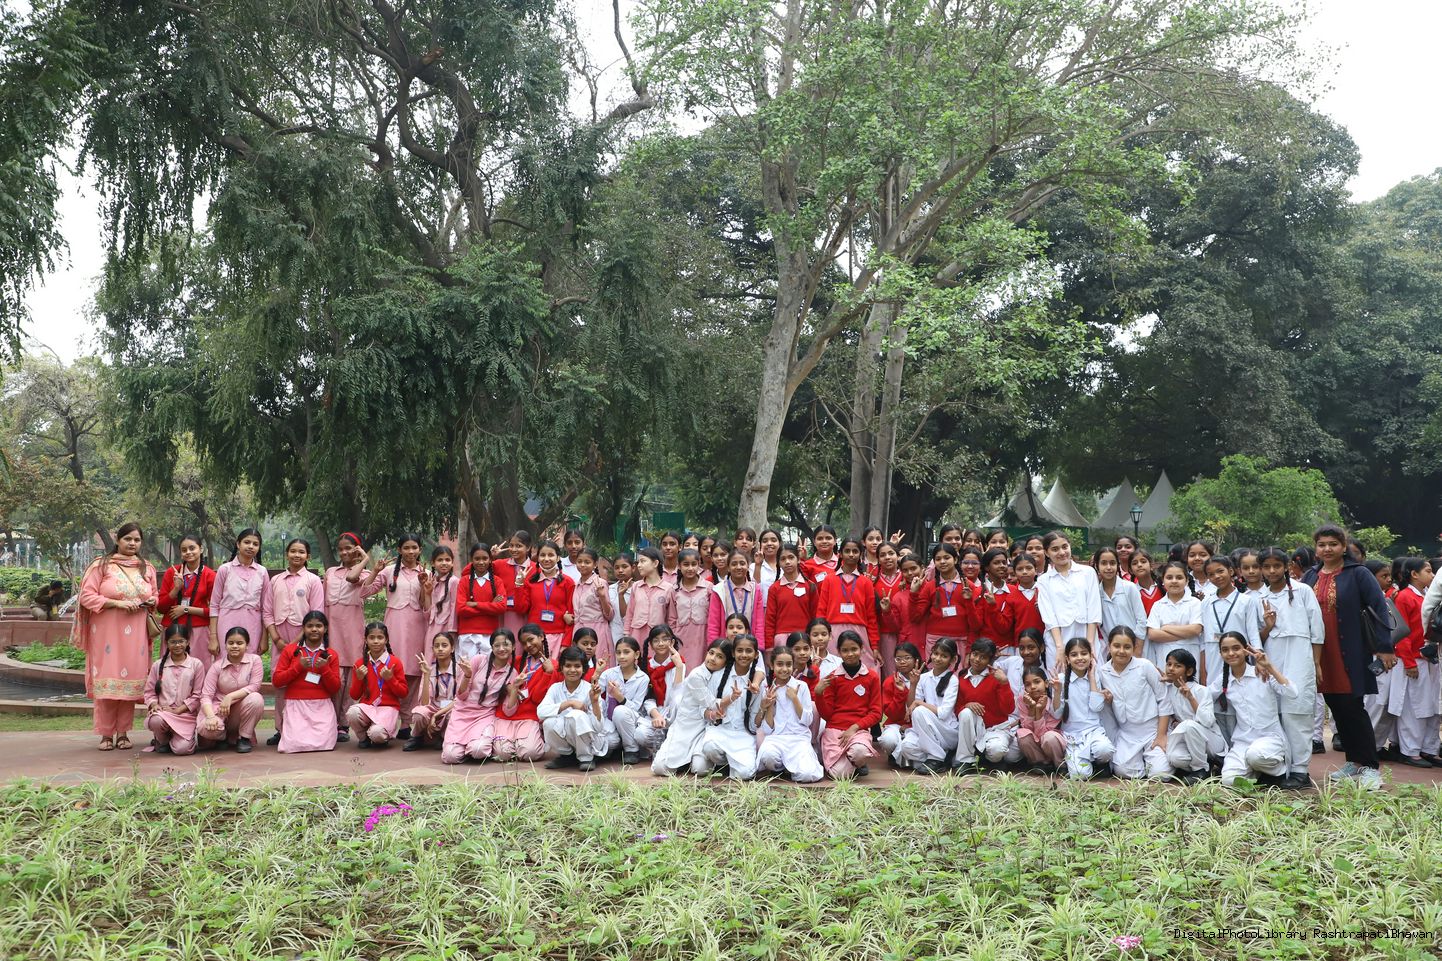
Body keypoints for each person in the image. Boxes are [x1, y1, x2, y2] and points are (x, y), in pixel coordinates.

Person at [1302, 524, 1391, 790]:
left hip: (1349, 650)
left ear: (1343, 546)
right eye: (1322, 544)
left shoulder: (1358, 574)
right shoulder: (1310, 576)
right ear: (1316, 548)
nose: (1327, 549)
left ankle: (1370, 766)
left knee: (1353, 706)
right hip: (1320, 652)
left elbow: (1379, 608)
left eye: (1333, 544)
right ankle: (1353, 761)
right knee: (1336, 706)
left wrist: (1384, 647)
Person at [76, 522, 158, 751]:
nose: (132, 543)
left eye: (137, 540)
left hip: (136, 635)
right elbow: (86, 596)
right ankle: (106, 735)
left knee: (128, 683)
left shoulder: (146, 568)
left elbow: (155, 595)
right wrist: (116, 603)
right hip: (107, 635)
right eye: (128, 539)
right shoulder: (101, 565)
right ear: (118, 541)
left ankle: (123, 733)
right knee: (108, 682)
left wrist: (153, 600)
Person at [1257, 547, 1324, 787]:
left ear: (1286, 566)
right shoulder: (1259, 596)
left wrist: (1316, 662)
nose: (1272, 571)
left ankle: (1300, 770)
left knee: (1297, 711)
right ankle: (1279, 767)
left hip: (1299, 656)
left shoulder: (1302, 591)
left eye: (1277, 566)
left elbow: (1317, 629)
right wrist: (1268, 626)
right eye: (1267, 566)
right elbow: (1256, 636)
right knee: (1273, 711)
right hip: (1272, 657)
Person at [1210, 631, 1299, 787]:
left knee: (1255, 755)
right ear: (1220, 654)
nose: (1231, 653)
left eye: (1236, 648)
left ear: (1246, 650)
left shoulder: (1262, 673)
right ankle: (1256, 774)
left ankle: (1277, 772)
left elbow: (1292, 693)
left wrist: (1269, 666)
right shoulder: (1224, 680)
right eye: (1225, 650)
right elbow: (1204, 697)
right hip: (1242, 741)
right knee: (1229, 780)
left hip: (1270, 737)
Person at [363, 534, 427, 736]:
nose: (410, 551)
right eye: (406, 547)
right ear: (399, 550)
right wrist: (375, 570)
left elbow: (427, 604)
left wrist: (425, 585)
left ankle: (407, 723)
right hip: (394, 625)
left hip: (417, 625)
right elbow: (365, 592)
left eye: (414, 547)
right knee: (393, 669)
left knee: (414, 673)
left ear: (420, 549)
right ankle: (388, 718)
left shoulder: (426, 573)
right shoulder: (389, 571)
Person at [1096, 626, 1171, 780]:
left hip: (1152, 729)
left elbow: (1163, 699)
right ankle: (1142, 765)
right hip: (1127, 733)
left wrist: (1161, 735)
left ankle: (1155, 764)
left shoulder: (1144, 666)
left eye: (1127, 647)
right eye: (1116, 646)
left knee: (1161, 774)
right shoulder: (1103, 673)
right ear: (1109, 646)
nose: (1121, 651)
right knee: (1123, 771)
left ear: (1134, 647)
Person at [324, 533, 376, 743]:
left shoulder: (365, 573)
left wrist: (364, 558)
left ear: (357, 549)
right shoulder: (330, 572)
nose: (344, 552)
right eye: (341, 549)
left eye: (349, 548)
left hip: (352, 627)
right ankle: (330, 721)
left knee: (351, 676)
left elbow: (352, 578)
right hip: (332, 626)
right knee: (334, 675)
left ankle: (344, 724)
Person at [651, 640, 728, 776]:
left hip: (705, 729)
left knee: (700, 769)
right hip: (686, 726)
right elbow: (710, 703)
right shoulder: (697, 675)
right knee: (660, 768)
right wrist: (733, 698)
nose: (713, 658)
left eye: (719, 656)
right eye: (711, 653)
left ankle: (694, 761)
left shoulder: (723, 676)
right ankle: (685, 762)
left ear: (726, 662)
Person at [1388, 558, 1438, 767]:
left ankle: (1427, 748)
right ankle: (1410, 750)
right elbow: (1401, 632)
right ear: (1414, 574)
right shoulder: (1405, 597)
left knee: (1430, 706)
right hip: (1412, 659)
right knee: (1413, 707)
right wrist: (1409, 662)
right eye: (1428, 571)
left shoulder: (1426, 595)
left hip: (1427, 658)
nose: (1432, 575)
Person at [441, 629, 517, 764]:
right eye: (497, 645)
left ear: (514, 647)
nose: (501, 649)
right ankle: (463, 749)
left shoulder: (512, 673)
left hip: (485, 716)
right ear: (491, 647)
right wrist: (467, 675)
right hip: (462, 713)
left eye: (505, 644)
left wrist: (514, 691)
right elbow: (461, 696)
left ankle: (473, 747)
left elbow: (508, 711)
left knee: (478, 750)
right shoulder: (479, 660)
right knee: (450, 756)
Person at [273, 610, 343, 754]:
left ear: (325, 629)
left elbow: (335, 688)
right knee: (293, 744)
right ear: (303, 629)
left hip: (321, 706)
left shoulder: (331, 654)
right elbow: (277, 681)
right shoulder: (290, 650)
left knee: (325, 744)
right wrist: (298, 667)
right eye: (310, 626)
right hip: (296, 705)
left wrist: (324, 669)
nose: (314, 629)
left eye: (319, 626)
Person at [814, 631, 882, 779]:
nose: (850, 654)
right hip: (834, 731)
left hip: (858, 730)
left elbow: (876, 713)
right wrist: (819, 695)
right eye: (845, 650)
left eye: (854, 649)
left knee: (859, 752)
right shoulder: (833, 677)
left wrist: (855, 727)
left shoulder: (872, 676)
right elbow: (827, 715)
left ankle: (856, 762)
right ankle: (853, 764)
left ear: (862, 649)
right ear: (839, 652)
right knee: (840, 775)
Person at [696, 634, 764, 779]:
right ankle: (723, 763)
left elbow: (754, 717)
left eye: (749, 651)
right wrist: (714, 714)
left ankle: (734, 764)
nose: (744, 655)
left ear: (756, 654)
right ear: (733, 653)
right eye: (739, 650)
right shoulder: (717, 676)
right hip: (720, 730)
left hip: (743, 734)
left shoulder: (758, 682)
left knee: (746, 773)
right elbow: (704, 708)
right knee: (709, 747)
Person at [592, 636, 667, 765]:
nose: (621, 656)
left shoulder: (643, 678)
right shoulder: (609, 673)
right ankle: (616, 748)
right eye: (618, 652)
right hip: (609, 719)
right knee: (609, 741)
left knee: (620, 711)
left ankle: (631, 750)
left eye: (626, 652)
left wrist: (618, 696)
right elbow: (593, 692)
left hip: (630, 719)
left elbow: (635, 707)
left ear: (636, 654)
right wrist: (597, 673)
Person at [755, 646, 824, 782]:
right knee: (768, 756)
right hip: (776, 739)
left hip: (799, 739)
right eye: (780, 664)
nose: (784, 669)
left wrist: (794, 698)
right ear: (772, 666)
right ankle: (780, 768)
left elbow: (807, 721)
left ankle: (790, 769)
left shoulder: (801, 686)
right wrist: (769, 705)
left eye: (788, 664)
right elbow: (768, 730)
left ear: (793, 666)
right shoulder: (768, 690)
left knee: (807, 775)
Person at [1036, 532, 1101, 673]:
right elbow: (1049, 615)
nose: (1061, 552)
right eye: (1055, 549)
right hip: (1058, 637)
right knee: (1060, 677)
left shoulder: (1088, 572)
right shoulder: (1044, 580)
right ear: (1046, 553)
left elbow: (1094, 608)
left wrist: (1090, 643)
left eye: (1064, 547)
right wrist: (1059, 647)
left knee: (1092, 675)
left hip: (1086, 632)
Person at [1051, 637, 1115, 780]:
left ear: (1091, 656)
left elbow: (1096, 707)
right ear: (1067, 659)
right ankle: (1079, 762)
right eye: (1074, 655)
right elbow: (1057, 715)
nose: (1080, 658)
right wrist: (1057, 692)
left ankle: (1099, 763)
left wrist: (1091, 678)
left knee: (1105, 750)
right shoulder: (1061, 679)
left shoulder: (1096, 676)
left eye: (1084, 653)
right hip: (1072, 736)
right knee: (1080, 775)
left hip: (1094, 731)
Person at [953, 638, 1019, 770]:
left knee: (997, 750)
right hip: (972, 731)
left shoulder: (997, 678)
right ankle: (966, 760)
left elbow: (1009, 709)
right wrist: (966, 705)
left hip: (996, 729)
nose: (977, 659)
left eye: (983, 657)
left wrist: (1004, 684)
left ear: (990, 660)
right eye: (975, 654)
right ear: (970, 654)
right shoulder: (961, 679)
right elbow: (956, 709)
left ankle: (984, 757)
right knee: (965, 713)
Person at [1160, 649, 1224, 782]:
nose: (1171, 668)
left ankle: (1200, 769)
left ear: (1189, 671)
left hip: (1210, 741)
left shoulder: (1201, 690)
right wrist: (1174, 723)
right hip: (1188, 742)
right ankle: (1210, 765)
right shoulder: (1168, 690)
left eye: (1177, 666)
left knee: (1188, 725)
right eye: (1169, 664)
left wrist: (1190, 698)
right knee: (1174, 758)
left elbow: (1207, 721)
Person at [814, 537, 880, 668]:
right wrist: (820, 635)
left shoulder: (866, 582)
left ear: (861, 555)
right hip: (833, 632)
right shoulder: (829, 579)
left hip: (859, 631)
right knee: (832, 669)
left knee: (868, 668)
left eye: (855, 551)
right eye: (847, 551)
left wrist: (874, 645)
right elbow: (821, 611)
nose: (851, 554)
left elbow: (871, 617)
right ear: (840, 554)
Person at [197, 626, 264, 753]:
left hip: (241, 710)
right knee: (206, 728)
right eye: (231, 643)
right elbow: (206, 695)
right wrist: (211, 717)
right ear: (225, 645)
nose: (234, 646)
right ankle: (223, 737)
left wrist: (230, 696)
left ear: (247, 645)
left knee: (256, 698)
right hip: (220, 710)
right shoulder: (217, 666)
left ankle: (244, 738)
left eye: (239, 643)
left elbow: (255, 686)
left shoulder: (255, 660)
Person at [898, 638, 959, 775]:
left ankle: (936, 757)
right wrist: (913, 684)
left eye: (944, 656)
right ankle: (943, 757)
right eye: (936, 654)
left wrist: (919, 703)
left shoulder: (953, 680)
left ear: (952, 659)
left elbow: (943, 713)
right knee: (906, 747)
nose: (938, 658)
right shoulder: (924, 677)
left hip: (946, 730)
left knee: (920, 711)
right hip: (929, 730)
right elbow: (911, 707)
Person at [143, 624, 206, 756]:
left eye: (181, 641)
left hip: (185, 716)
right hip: (163, 713)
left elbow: (198, 695)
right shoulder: (158, 665)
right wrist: (154, 705)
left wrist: (178, 710)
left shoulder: (196, 665)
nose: (177, 645)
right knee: (155, 720)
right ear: (166, 643)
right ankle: (163, 740)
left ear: (187, 642)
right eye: (173, 642)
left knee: (183, 749)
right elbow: (149, 692)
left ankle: (178, 739)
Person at [155, 535, 216, 670]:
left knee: (199, 669)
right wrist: (176, 589)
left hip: (198, 630)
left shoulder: (210, 575)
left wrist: (186, 609)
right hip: (173, 629)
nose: (188, 552)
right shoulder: (172, 572)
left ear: (201, 549)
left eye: (192, 548)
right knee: (170, 669)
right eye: (184, 550)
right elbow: (161, 608)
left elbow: (215, 610)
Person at [346, 620, 409, 749]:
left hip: (388, 708)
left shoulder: (394, 662)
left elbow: (403, 693)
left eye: (380, 637)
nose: (376, 641)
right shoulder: (360, 664)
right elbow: (354, 695)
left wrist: (390, 679)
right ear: (365, 640)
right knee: (352, 712)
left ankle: (378, 735)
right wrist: (359, 679)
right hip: (368, 707)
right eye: (372, 637)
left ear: (386, 640)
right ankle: (363, 738)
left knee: (377, 734)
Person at [539, 646, 602, 771]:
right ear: (561, 668)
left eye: (577, 666)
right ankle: (567, 755)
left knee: (576, 715)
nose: (572, 670)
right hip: (567, 738)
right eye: (568, 666)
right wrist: (569, 703)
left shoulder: (589, 689)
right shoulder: (555, 688)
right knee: (548, 723)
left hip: (589, 741)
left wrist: (594, 702)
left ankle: (586, 757)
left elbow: (598, 727)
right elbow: (540, 712)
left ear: (584, 669)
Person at [209, 528, 268, 657]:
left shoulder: (262, 572)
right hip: (226, 623)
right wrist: (213, 637)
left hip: (253, 625)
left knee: (249, 661)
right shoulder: (225, 570)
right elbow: (214, 605)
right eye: (247, 542)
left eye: (255, 544)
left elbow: (266, 608)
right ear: (238, 544)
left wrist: (264, 638)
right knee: (225, 660)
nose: (251, 546)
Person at [453, 542, 507, 664]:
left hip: (490, 634)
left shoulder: (497, 581)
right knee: (467, 670)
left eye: (485, 558)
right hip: (467, 634)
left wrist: (476, 604)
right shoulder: (464, 581)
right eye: (477, 559)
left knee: (488, 669)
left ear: (490, 560)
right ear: (471, 560)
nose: (481, 562)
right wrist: (490, 605)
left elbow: (502, 607)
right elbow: (461, 609)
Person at [1144, 562, 1203, 669]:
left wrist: (1166, 628)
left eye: (1179, 577)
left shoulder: (1195, 603)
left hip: (1190, 655)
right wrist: (1186, 634)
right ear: (1163, 581)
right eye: (1169, 577)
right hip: (1164, 657)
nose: (1174, 581)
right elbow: (1153, 634)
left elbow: (1195, 629)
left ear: (1187, 580)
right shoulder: (1158, 605)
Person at [406, 632, 458, 751]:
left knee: (453, 714)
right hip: (433, 709)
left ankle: (444, 737)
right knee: (419, 712)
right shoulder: (429, 669)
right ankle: (417, 736)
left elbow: (459, 700)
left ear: (452, 648)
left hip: (450, 709)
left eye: (444, 645)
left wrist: (437, 715)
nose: (440, 649)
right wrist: (426, 675)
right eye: (436, 646)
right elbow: (424, 703)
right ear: (433, 649)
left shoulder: (459, 669)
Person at [1095, 547, 1147, 665]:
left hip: (1135, 648)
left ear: (1118, 564)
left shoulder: (1129, 587)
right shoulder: (1096, 593)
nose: (1108, 567)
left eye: (1112, 563)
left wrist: (1137, 650)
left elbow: (1142, 620)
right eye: (1104, 563)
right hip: (1113, 652)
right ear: (1097, 566)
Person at [707, 549, 766, 643]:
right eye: (734, 564)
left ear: (748, 566)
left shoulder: (755, 589)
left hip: (749, 645)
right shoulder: (719, 590)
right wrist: (714, 646)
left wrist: (759, 647)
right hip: (725, 645)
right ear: (728, 567)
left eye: (742, 563)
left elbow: (759, 623)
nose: (738, 567)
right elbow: (713, 624)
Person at [876, 642, 919, 767]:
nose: (902, 662)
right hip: (896, 723)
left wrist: (910, 725)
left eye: (907, 658)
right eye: (898, 659)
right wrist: (900, 693)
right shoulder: (890, 681)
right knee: (888, 741)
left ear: (916, 660)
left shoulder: (924, 678)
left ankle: (902, 757)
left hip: (918, 725)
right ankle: (893, 754)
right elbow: (890, 714)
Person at [1015, 666, 1065, 771]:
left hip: (1051, 743)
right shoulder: (1022, 700)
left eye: (1037, 682)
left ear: (1046, 683)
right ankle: (1041, 763)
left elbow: (1043, 734)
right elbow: (1027, 728)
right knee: (1023, 734)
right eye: (1028, 684)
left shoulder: (1053, 700)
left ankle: (1060, 765)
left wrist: (1039, 712)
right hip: (1036, 744)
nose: (1033, 687)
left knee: (1049, 737)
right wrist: (1032, 708)